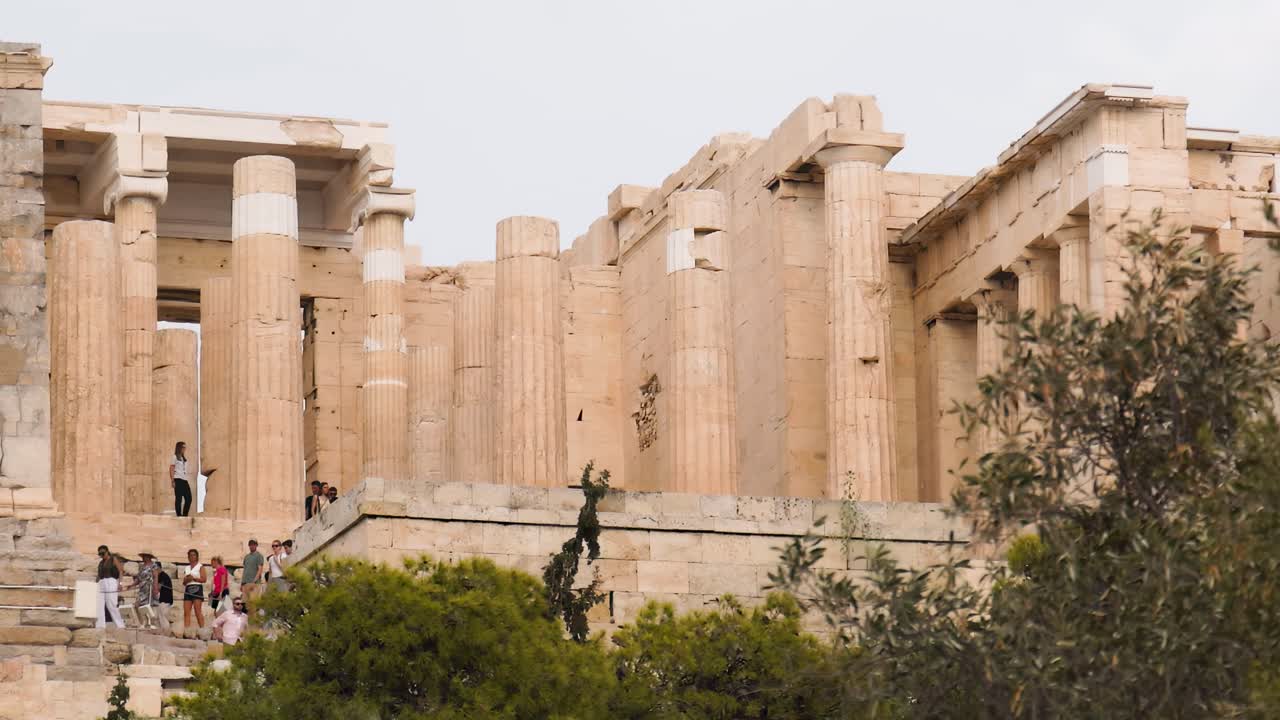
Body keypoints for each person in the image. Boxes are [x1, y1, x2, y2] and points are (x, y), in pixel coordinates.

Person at [95, 545, 126, 629]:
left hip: (111, 581)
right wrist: (94, 584)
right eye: (100, 554)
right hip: (102, 582)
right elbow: (98, 575)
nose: (101, 555)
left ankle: (120, 625)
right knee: (99, 605)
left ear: (107, 551)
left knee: (111, 604)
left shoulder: (113, 559)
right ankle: (100, 626)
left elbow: (120, 571)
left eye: (103, 553)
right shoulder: (101, 562)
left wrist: (120, 584)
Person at [181, 548, 209, 636]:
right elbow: (184, 582)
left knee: (197, 611)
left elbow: (204, 579)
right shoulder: (187, 567)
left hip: (197, 587)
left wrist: (194, 578)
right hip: (188, 588)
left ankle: (202, 630)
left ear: (197, 556)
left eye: (193, 555)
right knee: (186, 611)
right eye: (190, 555)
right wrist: (186, 579)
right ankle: (187, 631)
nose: (192, 557)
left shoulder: (200, 566)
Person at [129, 551, 159, 631]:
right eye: (142, 556)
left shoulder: (154, 565)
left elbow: (155, 577)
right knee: (137, 605)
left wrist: (155, 588)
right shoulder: (142, 566)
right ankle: (143, 622)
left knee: (148, 606)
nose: (143, 558)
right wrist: (131, 585)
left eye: (144, 556)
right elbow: (139, 578)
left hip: (149, 588)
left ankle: (151, 623)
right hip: (142, 588)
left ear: (149, 557)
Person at [170, 441, 193, 517]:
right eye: (183, 447)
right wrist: (172, 480)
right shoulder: (174, 457)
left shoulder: (184, 458)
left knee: (189, 498)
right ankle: (179, 515)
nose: (184, 449)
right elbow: (171, 468)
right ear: (179, 448)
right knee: (179, 498)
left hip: (184, 480)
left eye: (185, 447)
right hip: (177, 479)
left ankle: (185, 515)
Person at [240, 539, 265, 603]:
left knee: (253, 604)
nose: (252, 546)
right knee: (245, 604)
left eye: (253, 544)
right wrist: (242, 583)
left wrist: (254, 581)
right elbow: (245, 570)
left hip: (254, 584)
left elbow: (260, 569)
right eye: (250, 544)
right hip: (245, 584)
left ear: (256, 545)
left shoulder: (259, 556)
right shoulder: (246, 557)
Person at [155, 563, 174, 635]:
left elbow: (158, 587)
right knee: (159, 616)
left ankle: (166, 633)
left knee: (163, 616)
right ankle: (161, 632)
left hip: (165, 599)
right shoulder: (160, 576)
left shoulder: (163, 575)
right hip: (161, 600)